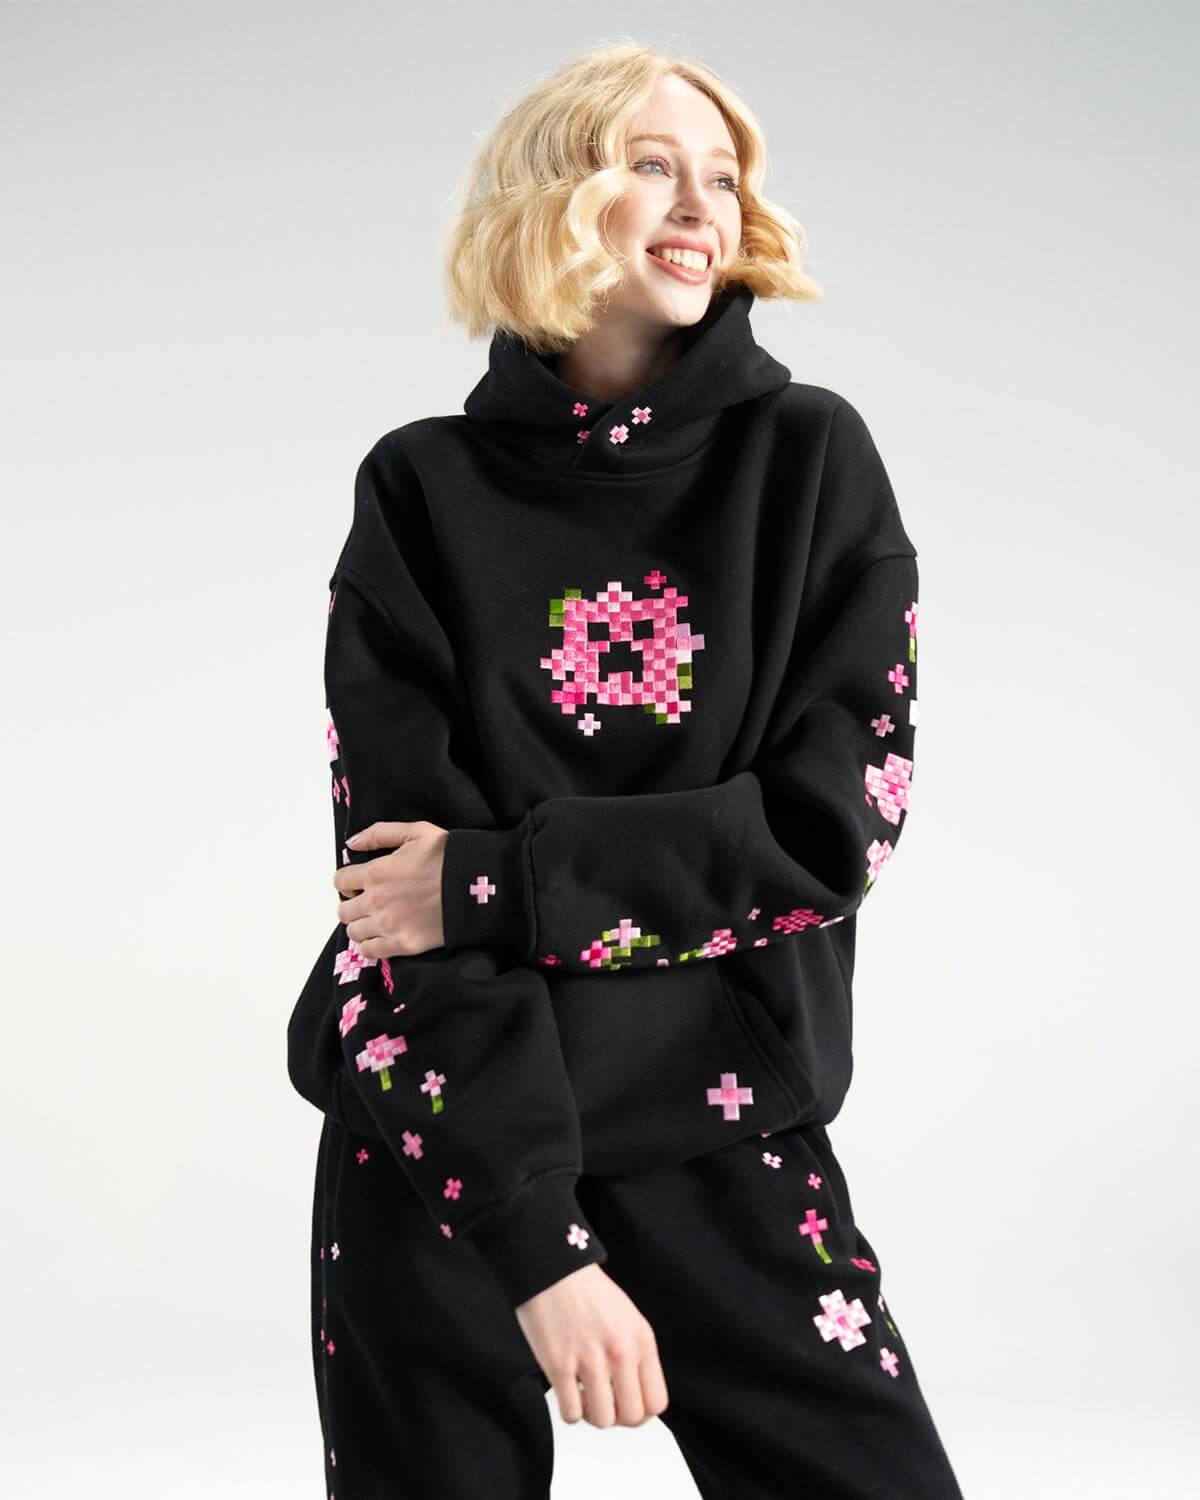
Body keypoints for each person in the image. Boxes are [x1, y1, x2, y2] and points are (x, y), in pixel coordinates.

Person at [286, 39, 966, 1499]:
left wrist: (495, 880)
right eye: (653, 164)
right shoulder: (419, 488)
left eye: (724, 175)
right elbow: (391, 899)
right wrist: (531, 1240)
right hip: (446, 1130)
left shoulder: (809, 464)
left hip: (718, 1116)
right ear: (555, 195)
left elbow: (828, 829)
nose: (702, 202)